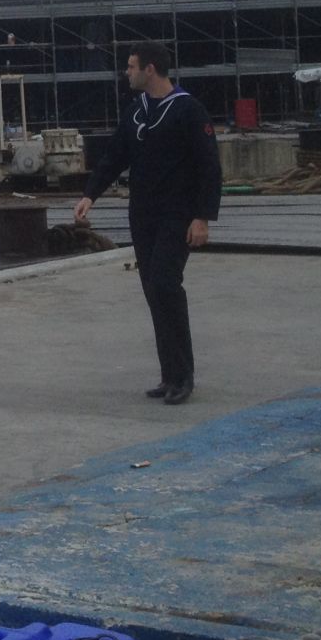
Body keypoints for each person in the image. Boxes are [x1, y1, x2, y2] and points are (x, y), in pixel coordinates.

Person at [74, 41, 221, 405]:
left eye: (131, 66)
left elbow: (209, 168)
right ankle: (168, 375)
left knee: (166, 284)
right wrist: (90, 194)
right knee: (154, 293)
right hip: (144, 215)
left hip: (178, 216)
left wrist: (202, 217)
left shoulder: (188, 110)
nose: (127, 72)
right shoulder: (136, 111)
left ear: (150, 69)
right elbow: (114, 156)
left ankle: (183, 376)